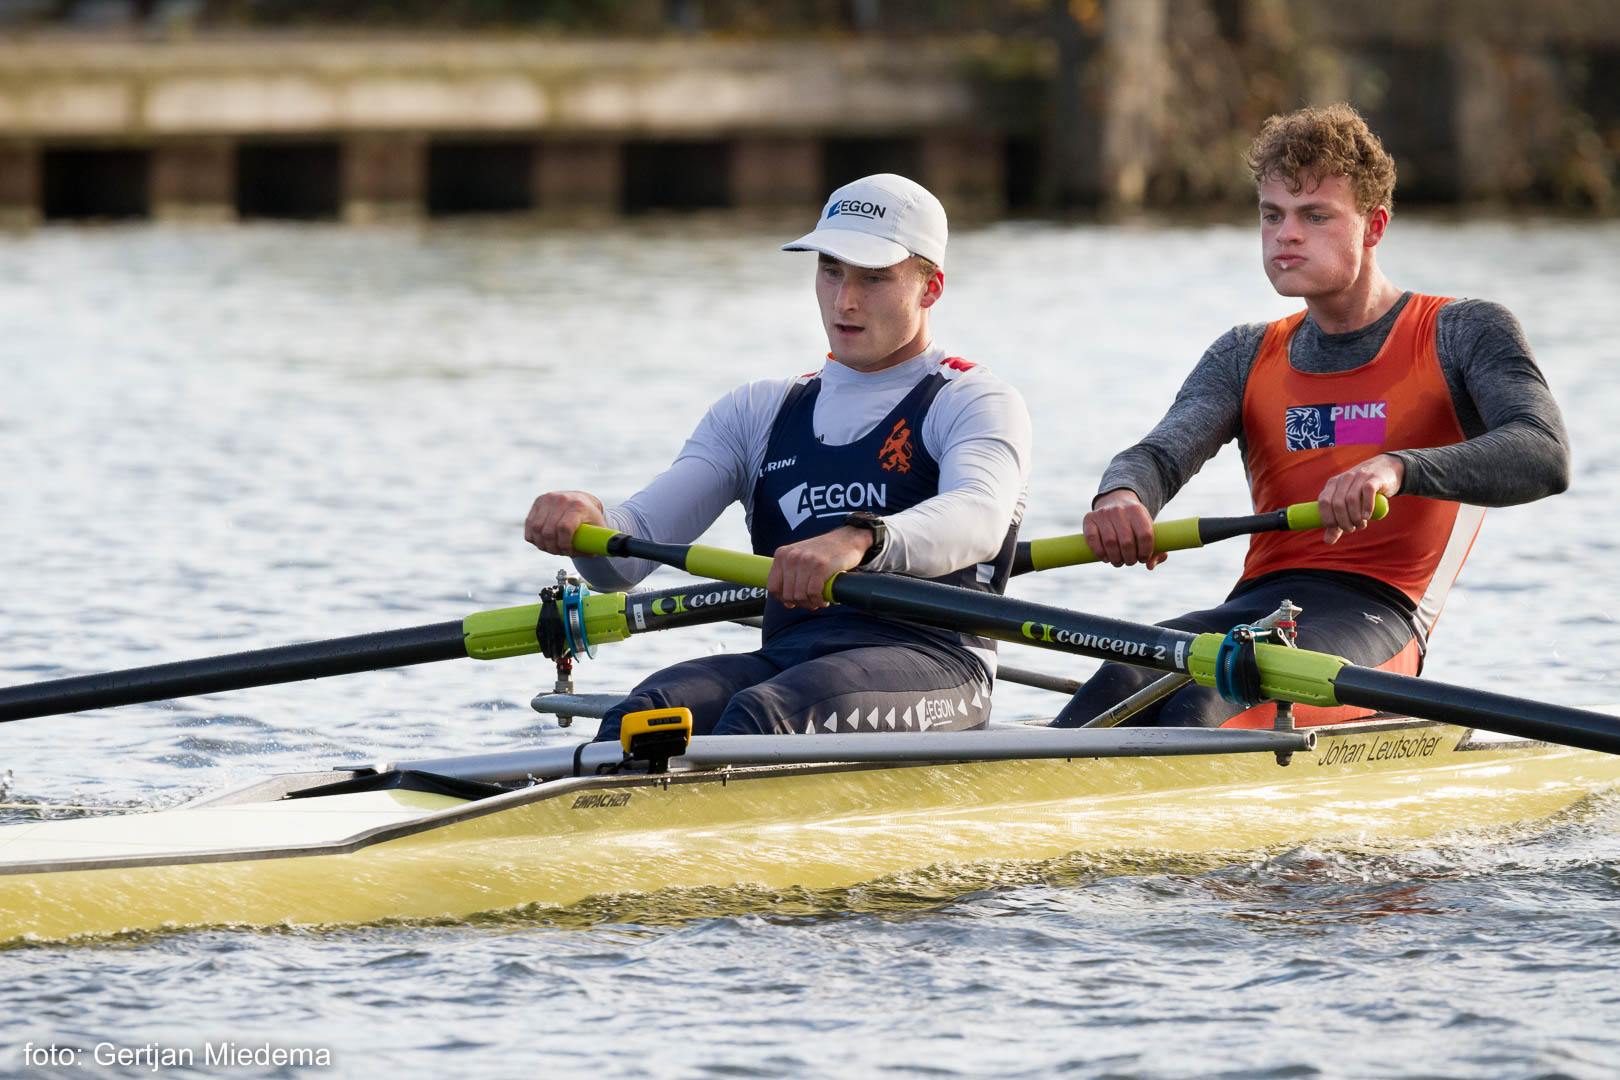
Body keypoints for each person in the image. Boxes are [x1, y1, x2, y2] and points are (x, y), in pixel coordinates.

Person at [1053, 103, 1570, 729]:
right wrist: (1123, 495)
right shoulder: (1246, 352)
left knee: (1203, 702)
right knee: (1119, 679)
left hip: (1380, 619)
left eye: (1315, 216)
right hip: (1256, 604)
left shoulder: (1463, 331)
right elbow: (1159, 454)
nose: (1285, 235)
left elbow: (1543, 452)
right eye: (1272, 214)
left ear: (1374, 226)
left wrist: (1395, 468)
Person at [525, 173, 1032, 740]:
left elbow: (979, 516)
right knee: (645, 712)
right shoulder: (757, 411)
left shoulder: (973, 400)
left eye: (873, 277)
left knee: (763, 716)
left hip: (937, 664)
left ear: (930, 288)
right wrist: (590, 523)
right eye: (831, 270)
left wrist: (859, 540)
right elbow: (624, 561)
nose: (844, 301)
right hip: (791, 658)